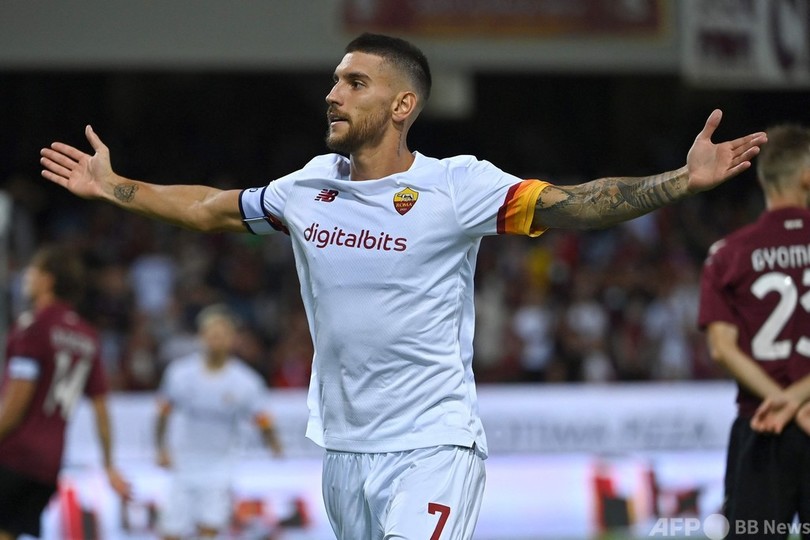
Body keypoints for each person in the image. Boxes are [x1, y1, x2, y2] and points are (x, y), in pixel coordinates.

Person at [39, 32, 767, 540]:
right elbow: (207, 208)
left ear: (402, 106)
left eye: (354, 83)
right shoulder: (307, 188)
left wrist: (680, 182)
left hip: (431, 446)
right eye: (334, 81)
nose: (333, 95)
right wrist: (115, 186)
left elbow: (574, 204)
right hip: (344, 452)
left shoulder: (456, 186)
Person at [698, 124, 810, 539]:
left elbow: (721, 349)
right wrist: (798, 401)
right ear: (807, 177)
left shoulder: (727, 254)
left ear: (763, 179)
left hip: (761, 425)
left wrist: (781, 400)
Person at [0, 245, 131, 540]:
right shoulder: (87, 336)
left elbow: (17, 402)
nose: (26, 277)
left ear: (47, 279)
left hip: (12, 454)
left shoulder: (33, 327)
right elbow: (101, 408)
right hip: (48, 466)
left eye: (32, 271)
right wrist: (109, 465)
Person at [155, 303, 283, 540]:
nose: (216, 339)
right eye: (211, 333)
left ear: (232, 339)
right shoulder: (180, 373)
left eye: (222, 334)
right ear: (201, 336)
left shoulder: (245, 381)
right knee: (171, 531)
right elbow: (163, 412)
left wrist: (274, 444)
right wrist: (160, 448)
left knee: (209, 529)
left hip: (221, 464)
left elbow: (263, 418)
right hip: (184, 461)